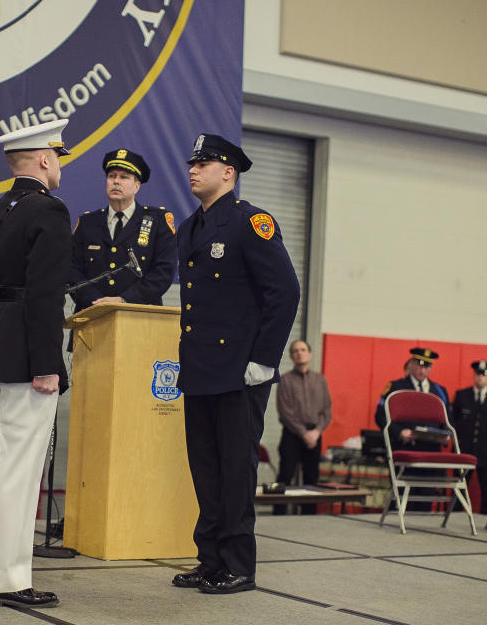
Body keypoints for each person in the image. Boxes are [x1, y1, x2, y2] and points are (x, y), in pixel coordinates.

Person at [172, 134, 300, 595]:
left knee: (235, 469)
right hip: (201, 367)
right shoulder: (189, 229)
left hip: (240, 371)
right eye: (192, 163)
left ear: (228, 172)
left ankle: (239, 565)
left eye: (203, 163)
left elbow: (284, 293)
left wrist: (264, 360)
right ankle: (210, 560)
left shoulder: (253, 223)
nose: (193, 169)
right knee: (205, 467)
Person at [0, 119, 72, 609]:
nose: (59, 163)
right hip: (27, 349)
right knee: (19, 472)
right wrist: (48, 362)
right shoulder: (49, 210)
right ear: (45, 158)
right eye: (58, 155)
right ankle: (7, 579)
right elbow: (46, 293)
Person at [68, 148, 175, 310]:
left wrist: (125, 300)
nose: (116, 181)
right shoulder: (87, 222)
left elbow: (163, 272)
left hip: (139, 317)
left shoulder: (157, 221)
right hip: (92, 315)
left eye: (124, 177)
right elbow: (72, 269)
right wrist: (97, 302)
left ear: (137, 186)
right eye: (112, 176)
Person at [374, 347, 451, 512]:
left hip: (430, 452)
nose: (423, 370)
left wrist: (446, 436)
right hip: (405, 448)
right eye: (420, 365)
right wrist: (399, 432)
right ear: (412, 364)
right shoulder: (395, 387)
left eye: (427, 366)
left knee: (425, 498)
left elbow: (447, 420)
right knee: (401, 499)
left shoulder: (439, 391)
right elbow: (380, 416)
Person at [273, 339, 331, 515]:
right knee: (285, 475)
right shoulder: (285, 380)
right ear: (291, 356)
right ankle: (279, 513)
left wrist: (316, 432)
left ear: (310, 354)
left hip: (315, 434)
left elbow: (326, 410)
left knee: (311, 479)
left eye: (303, 349)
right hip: (292, 435)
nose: (299, 353)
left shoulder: (320, 380)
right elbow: (284, 412)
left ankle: (309, 516)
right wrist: (304, 433)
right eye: (296, 350)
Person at [451, 360, 487, 515]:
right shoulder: (461, 395)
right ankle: (455, 516)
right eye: (478, 375)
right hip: (464, 449)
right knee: (459, 486)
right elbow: (454, 420)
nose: (481, 378)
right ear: (474, 376)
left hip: (486, 450)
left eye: (484, 375)